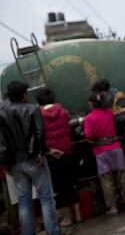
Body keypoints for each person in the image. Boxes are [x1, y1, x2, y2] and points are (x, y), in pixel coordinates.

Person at [0, 81, 60, 235]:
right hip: (34, 160)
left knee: (24, 202)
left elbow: (2, 140)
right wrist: (40, 153)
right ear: (23, 94)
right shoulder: (33, 109)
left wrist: (5, 162)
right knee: (46, 198)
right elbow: (40, 133)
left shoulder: (3, 113)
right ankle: (52, 232)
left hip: (15, 163)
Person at [36, 88, 82, 227]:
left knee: (59, 187)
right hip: (67, 152)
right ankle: (78, 215)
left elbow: (39, 135)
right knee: (71, 184)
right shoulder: (64, 113)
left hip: (52, 155)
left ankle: (67, 218)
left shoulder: (38, 115)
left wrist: (46, 150)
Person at [84, 92, 125, 215]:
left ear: (91, 104)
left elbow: (89, 136)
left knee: (107, 180)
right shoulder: (110, 113)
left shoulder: (89, 118)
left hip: (101, 152)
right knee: (123, 176)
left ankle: (113, 207)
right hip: (116, 148)